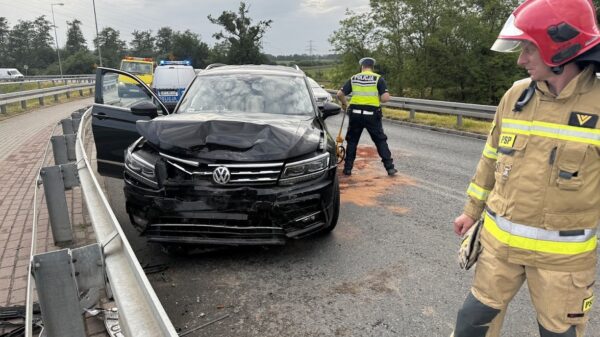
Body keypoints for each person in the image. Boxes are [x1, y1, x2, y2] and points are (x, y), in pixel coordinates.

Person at [451, 0, 600, 336]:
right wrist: (471, 211)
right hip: (498, 252)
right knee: (470, 325)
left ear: (560, 50)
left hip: (563, 266)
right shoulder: (516, 96)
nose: (521, 60)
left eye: (529, 49)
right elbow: (490, 157)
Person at [336, 57, 397, 176]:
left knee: (352, 141)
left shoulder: (354, 78)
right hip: (372, 115)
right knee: (380, 141)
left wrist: (345, 104)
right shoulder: (378, 78)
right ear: (372, 67)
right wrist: (375, 99)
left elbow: (340, 94)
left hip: (355, 114)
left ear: (362, 67)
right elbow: (385, 98)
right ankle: (389, 168)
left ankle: (347, 169)